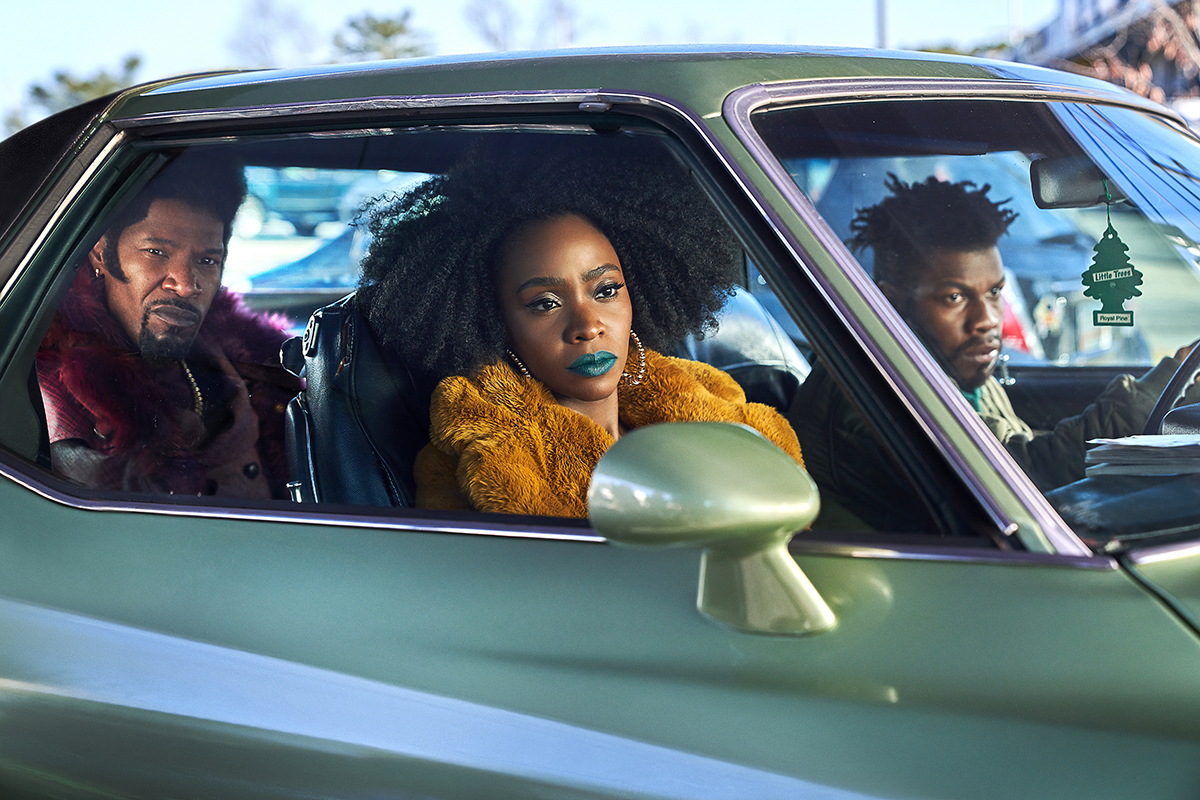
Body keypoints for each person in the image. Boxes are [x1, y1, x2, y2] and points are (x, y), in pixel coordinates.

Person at [356, 140, 804, 516]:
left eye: (606, 290)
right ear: (494, 322)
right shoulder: (472, 467)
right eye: (545, 303)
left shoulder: (713, 404)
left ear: (640, 291)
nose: (588, 326)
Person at [791, 175, 1194, 528]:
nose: (986, 319)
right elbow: (1027, 476)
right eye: (954, 297)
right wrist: (1164, 381)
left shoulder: (945, 365)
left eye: (996, 291)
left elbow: (1015, 443)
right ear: (891, 304)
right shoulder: (868, 396)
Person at [36, 152, 303, 498]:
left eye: (207, 260)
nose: (187, 284)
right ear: (101, 253)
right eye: (156, 253)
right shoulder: (59, 378)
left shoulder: (246, 351)